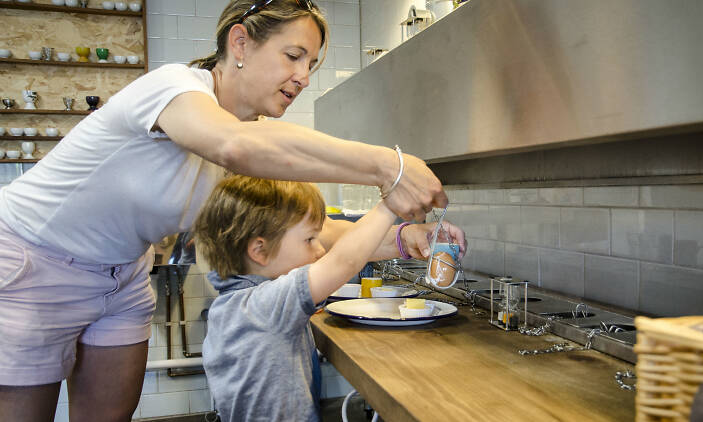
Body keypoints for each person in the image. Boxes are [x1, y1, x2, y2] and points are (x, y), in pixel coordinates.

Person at [0, 1, 465, 421]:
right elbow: (233, 145)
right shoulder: (176, 88)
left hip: (123, 275)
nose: (304, 76)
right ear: (240, 41)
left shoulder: (254, 140)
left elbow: (313, 232)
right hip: (31, 260)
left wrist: (406, 238)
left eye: (312, 64)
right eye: (294, 56)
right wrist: (391, 166)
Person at [193, 176, 399, 421]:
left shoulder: (235, 305)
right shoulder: (262, 307)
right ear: (259, 251)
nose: (320, 249)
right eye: (309, 239)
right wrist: (391, 203)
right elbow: (344, 261)